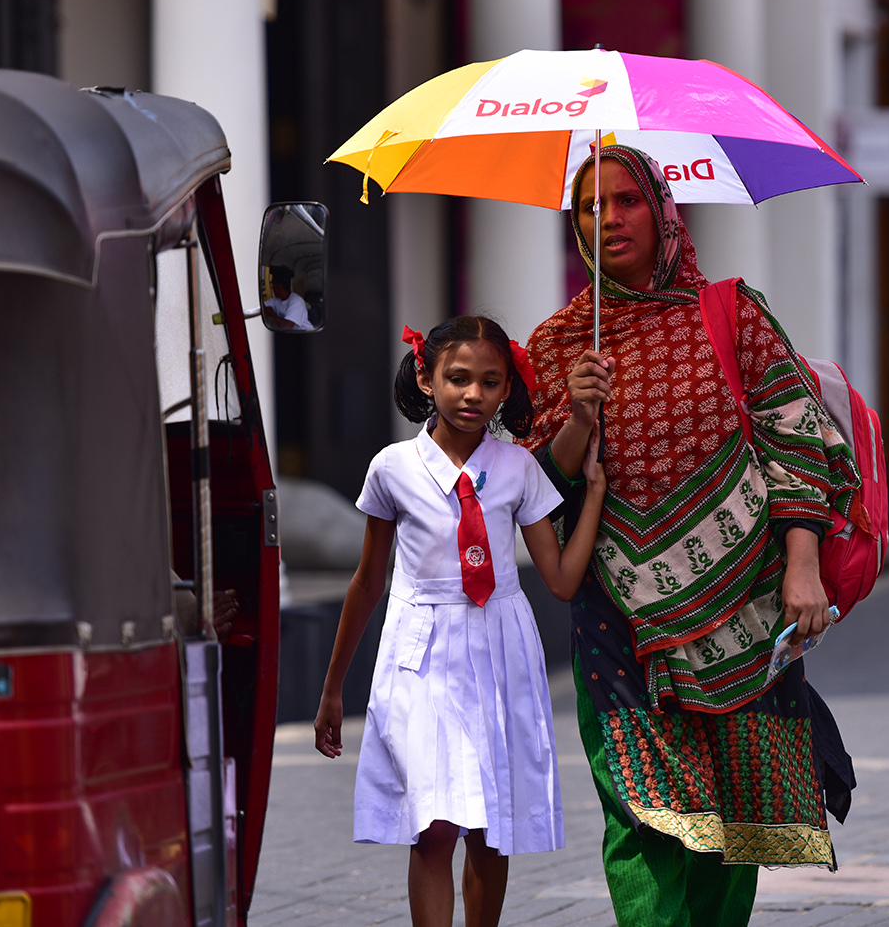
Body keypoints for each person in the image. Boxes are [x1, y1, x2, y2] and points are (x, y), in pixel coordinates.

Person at [522, 145, 860, 926]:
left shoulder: (733, 312)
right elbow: (545, 485)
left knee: (734, 819)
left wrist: (802, 569)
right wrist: (577, 416)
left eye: (625, 201)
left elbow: (796, 439)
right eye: (589, 207)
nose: (607, 220)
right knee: (644, 816)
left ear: (663, 209)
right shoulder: (558, 344)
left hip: (746, 610)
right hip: (620, 618)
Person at [312, 316, 607, 927]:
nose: (473, 394)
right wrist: (333, 687)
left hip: (501, 650)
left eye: (490, 382)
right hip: (420, 653)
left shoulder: (520, 468)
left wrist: (595, 494)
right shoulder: (391, 468)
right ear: (426, 378)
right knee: (434, 826)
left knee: (489, 825)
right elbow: (368, 581)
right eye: (458, 378)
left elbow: (559, 580)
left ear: (506, 390)